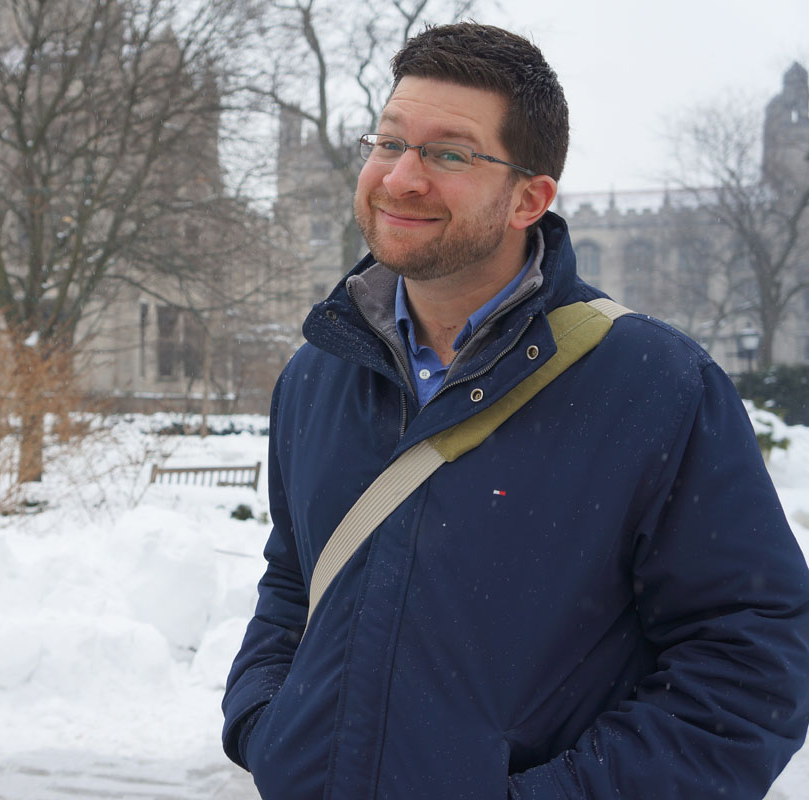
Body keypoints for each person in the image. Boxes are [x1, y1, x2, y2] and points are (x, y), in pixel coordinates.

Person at [222, 22, 809, 800]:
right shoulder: (319, 372)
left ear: (530, 198)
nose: (401, 177)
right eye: (389, 142)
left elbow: (749, 664)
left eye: (450, 154)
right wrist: (267, 727)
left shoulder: (659, 386)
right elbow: (293, 581)